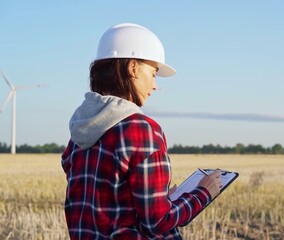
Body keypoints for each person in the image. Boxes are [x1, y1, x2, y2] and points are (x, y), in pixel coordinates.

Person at [61, 23, 222, 240]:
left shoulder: (79, 131)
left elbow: (108, 206)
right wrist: (203, 193)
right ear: (133, 68)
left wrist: (162, 199)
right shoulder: (141, 130)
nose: (155, 85)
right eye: (153, 73)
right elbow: (158, 222)